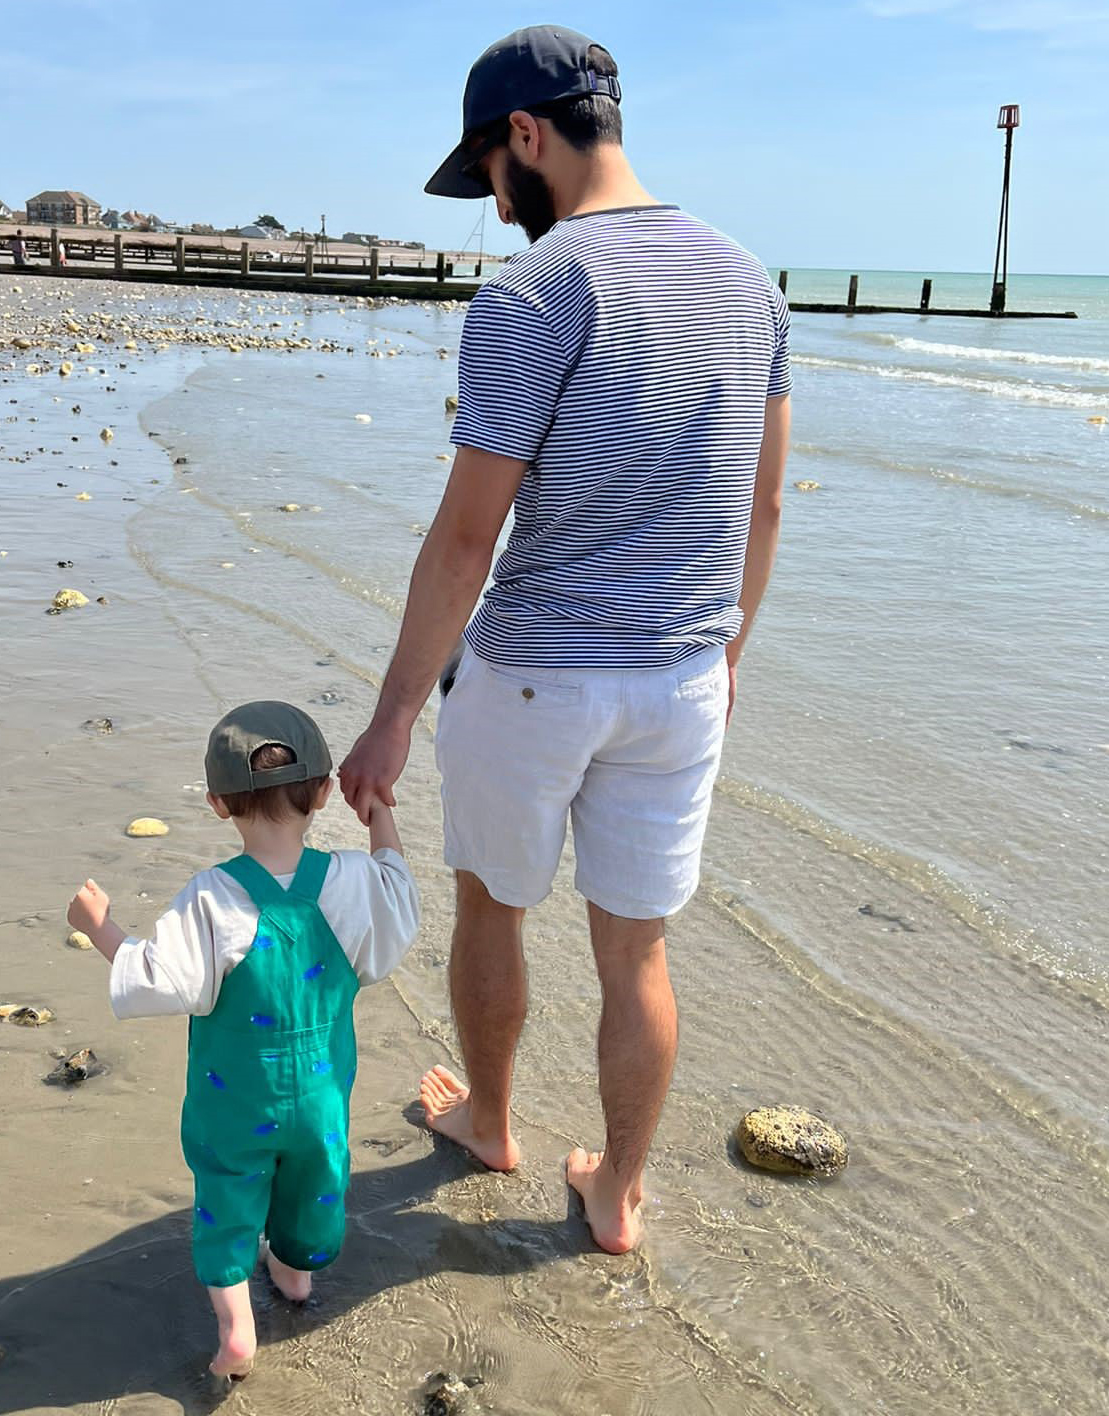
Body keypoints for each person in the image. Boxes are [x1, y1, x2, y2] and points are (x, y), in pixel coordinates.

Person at [340, 25, 791, 1255]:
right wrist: (728, 660)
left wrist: (386, 719)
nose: (495, 205)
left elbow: (465, 542)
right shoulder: (752, 281)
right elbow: (761, 504)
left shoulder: (538, 290)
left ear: (526, 136)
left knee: (493, 905)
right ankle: (618, 1197)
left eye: (489, 173)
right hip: (685, 677)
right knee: (636, 950)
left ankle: (492, 1123)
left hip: (537, 672)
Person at [66, 702, 420, 1379]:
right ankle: (293, 1280)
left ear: (218, 804)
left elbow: (158, 979)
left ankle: (235, 1333)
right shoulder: (350, 881)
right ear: (323, 793)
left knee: (228, 1200)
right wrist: (379, 812)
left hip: (232, 1102)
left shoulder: (212, 898)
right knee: (314, 1185)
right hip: (320, 1096)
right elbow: (398, 898)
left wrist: (101, 926)